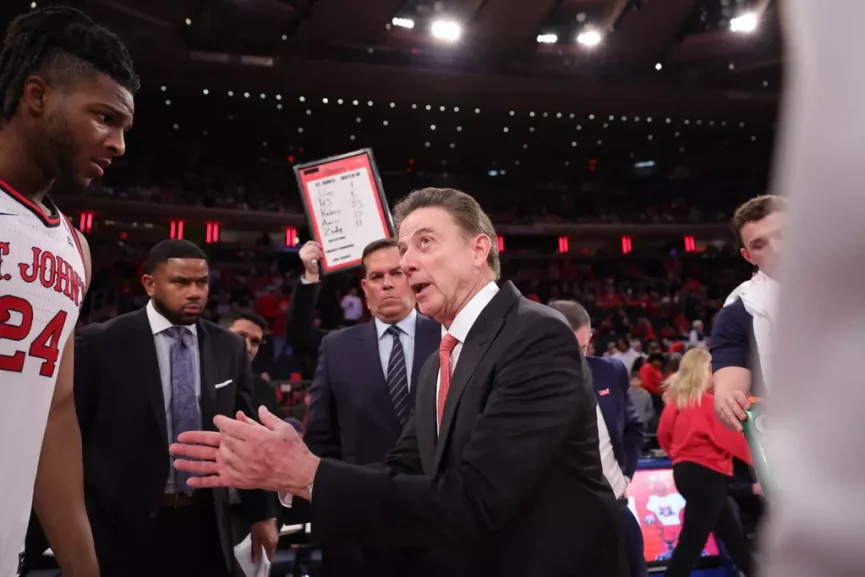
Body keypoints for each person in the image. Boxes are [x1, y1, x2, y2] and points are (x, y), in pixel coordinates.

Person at [172, 187, 626, 577]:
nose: (407, 264)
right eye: (404, 249)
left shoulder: (536, 334)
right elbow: (402, 471)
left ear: (478, 248)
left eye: (424, 242)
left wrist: (307, 473)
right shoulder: (441, 359)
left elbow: (478, 501)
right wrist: (290, 472)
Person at [0, 6, 138, 576]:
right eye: (104, 117)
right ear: (37, 95)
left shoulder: (72, 248)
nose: (119, 144)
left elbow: (54, 414)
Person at [72, 240, 278, 577]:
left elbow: (245, 433)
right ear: (150, 284)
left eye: (202, 283)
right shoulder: (100, 343)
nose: (195, 293)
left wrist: (262, 513)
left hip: (205, 520)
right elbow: (73, 434)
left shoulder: (229, 347)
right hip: (121, 526)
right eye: (181, 283)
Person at [302, 238, 440, 576]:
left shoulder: (448, 336)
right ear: (365, 287)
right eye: (377, 277)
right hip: (360, 523)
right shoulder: (337, 347)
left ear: (413, 276)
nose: (388, 283)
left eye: (397, 273)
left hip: (438, 517)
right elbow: (321, 439)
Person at [549, 300, 648, 577]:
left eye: (581, 347)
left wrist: (625, 475)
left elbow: (633, 428)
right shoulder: (528, 381)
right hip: (563, 521)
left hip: (615, 508)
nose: (575, 357)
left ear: (590, 337)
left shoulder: (610, 371)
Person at [656, 349, 755, 577]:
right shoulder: (710, 404)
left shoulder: (676, 404)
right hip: (707, 475)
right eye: (713, 369)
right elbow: (736, 441)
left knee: (732, 537)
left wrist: (681, 453)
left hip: (685, 472)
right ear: (704, 372)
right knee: (691, 542)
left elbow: (663, 437)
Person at [710, 195, 786, 431]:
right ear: (748, 256)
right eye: (759, 244)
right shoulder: (739, 314)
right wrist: (729, 401)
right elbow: (729, 388)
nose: (776, 249)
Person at [221, 310, 281, 417]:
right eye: (240, 336)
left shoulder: (266, 391)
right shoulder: (192, 379)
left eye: (254, 342)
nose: (248, 347)